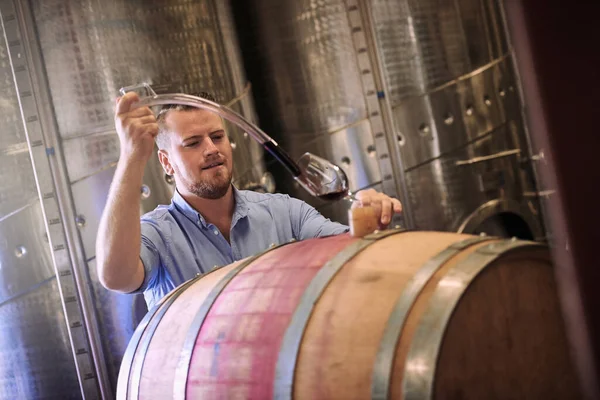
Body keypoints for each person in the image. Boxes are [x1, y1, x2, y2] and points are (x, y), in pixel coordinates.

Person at [96, 92, 402, 309]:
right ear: (166, 162)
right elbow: (116, 277)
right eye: (192, 143)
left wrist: (369, 218)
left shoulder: (284, 212)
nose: (212, 149)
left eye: (217, 137)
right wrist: (132, 156)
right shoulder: (156, 235)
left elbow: (351, 252)